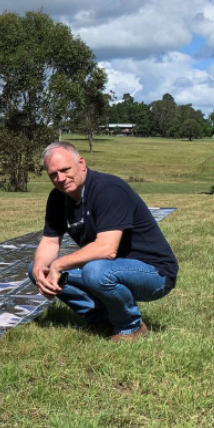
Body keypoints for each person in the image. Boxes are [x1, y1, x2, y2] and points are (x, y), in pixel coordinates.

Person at [29, 141, 178, 341]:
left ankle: (131, 327)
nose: (60, 178)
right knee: (36, 269)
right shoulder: (58, 198)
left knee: (95, 271)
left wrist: (58, 264)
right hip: (110, 268)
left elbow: (107, 249)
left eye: (65, 170)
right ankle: (100, 319)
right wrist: (41, 270)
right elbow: (49, 242)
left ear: (81, 163)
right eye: (53, 174)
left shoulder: (108, 189)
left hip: (154, 273)